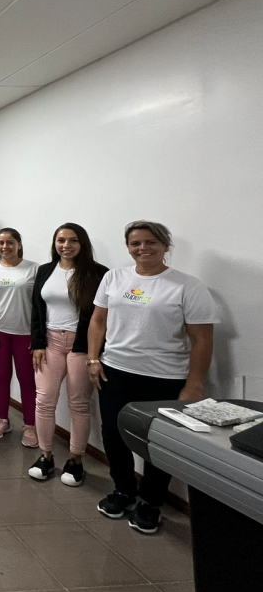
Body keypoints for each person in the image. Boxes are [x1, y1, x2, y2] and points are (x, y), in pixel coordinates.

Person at [88, 221, 218, 534]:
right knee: (113, 435)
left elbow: (202, 339)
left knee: (156, 440)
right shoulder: (114, 277)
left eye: (151, 242)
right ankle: (123, 490)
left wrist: (194, 384)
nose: (143, 248)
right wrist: (93, 358)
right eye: (135, 243)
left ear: (165, 246)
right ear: (128, 247)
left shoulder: (187, 285)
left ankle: (150, 502)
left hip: (164, 377)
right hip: (114, 370)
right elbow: (98, 321)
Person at [29, 224, 108, 485]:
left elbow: (102, 317)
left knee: (79, 404)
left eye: (73, 240)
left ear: (82, 244)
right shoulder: (45, 270)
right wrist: (37, 343)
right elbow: (37, 308)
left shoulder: (98, 273)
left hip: (81, 345)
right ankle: (45, 455)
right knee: (44, 400)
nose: (66, 245)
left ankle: (75, 460)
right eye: (61, 240)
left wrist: (95, 352)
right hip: (49, 342)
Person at [0, 228, 39, 445]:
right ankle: (2, 419)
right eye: (1, 242)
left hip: (25, 334)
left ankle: (29, 425)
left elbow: (41, 304)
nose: (5, 246)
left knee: (27, 380)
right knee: (1, 377)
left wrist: (38, 335)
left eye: (10, 242)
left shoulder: (34, 269)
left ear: (19, 244)